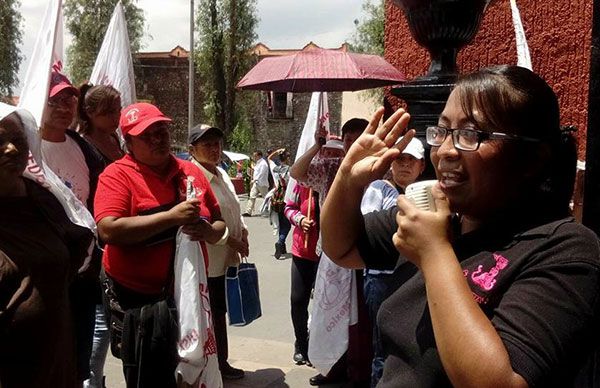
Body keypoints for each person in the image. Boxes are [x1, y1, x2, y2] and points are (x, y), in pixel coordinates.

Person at [321, 65, 600, 387]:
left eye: (471, 135)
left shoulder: (566, 250)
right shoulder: (443, 218)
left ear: (532, 158)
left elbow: (499, 382)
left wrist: (435, 253)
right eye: (442, 132)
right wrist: (348, 179)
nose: (446, 151)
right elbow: (342, 247)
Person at [94, 103, 226, 388]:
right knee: (149, 377)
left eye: (161, 131)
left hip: (188, 296)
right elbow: (108, 229)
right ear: (128, 142)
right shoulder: (118, 175)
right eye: (147, 135)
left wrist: (208, 231)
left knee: (192, 373)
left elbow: (219, 225)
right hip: (138, 302)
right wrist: (170, 218)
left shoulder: (191, 172)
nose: (157, 139)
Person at [0, 106, 93, 388]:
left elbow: (76, 247)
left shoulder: (46, 200)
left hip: (55, 360)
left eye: (19, 138)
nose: (11, 148)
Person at [291, 118, 372, 387]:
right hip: (332, 251)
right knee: (328, 312)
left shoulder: (377, 168)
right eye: (348, 139)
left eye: (358, 138)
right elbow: (297, 172)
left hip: (363, 253)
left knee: (357, 319)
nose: (352, 144)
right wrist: (317, 146)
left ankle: (358, 371)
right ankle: (330, 367)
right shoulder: (331, 167)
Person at [41, 69, 105, 384]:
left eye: (70, 100)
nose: (65, 107)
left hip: (82, 273)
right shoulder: (22, 149)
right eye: (56, 101)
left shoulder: (82, 148)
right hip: (41, 275)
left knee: (79, 361)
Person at [360, 137, 425, 387]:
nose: (405, 165)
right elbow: (370, 231)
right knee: (382, 347)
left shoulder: (425, 193)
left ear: (421, 166)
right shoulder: (379, 188)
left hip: (413, 275)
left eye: (411, 160)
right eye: (400, 159)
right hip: (381, 277)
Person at [188, 123, 248, 380]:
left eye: (217, 144)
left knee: (220, 313)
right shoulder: (193, 177)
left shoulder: (221, 173)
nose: (214, 149)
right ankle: (211, 365)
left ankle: (221, 362)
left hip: (226, 261)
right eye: (207, 145)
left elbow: (233, 208)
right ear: (192, 149)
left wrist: (243, 232)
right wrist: (231, 240)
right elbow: (201, 223)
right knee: (208, 316)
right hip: (207, 261)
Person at [77, 83, 124, 388]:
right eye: (108, 112)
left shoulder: (116, 140)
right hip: (97, 240)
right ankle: (91, 382)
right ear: (90, 113)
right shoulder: (83, 145)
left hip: (120, 238)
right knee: (100, 322)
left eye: (117, 110)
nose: (115, 117)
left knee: (111, 320)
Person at [284, 183, 320, 365]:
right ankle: (301, 343)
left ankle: (318, 346)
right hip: (303, 250)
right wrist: (300, 220)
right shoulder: (301, 182)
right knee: (298, 300)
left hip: (330, 253)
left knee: (323, 303)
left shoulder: (336, 179)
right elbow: (288, 207)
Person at [272, 148, 292, 258]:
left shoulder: (275, 169)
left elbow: (269, 158)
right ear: (287, 158)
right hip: (286, 197)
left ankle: (282, 247)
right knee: (287, 224)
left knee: (280, 222)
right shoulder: (289, 170)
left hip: (276, 197)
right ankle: (280, 242)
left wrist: (277, 151)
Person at [243, 150, 271, 216]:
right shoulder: (258, 163)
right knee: (252, 196)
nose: (254, 157)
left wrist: (255, 179)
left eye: (255, 156)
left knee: (266, 198)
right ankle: (248, 211)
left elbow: (261, 173)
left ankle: (270, 210)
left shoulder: (263, 163)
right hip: (256, 183)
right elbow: (255, 172)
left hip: (262, 184)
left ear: (259, 156)